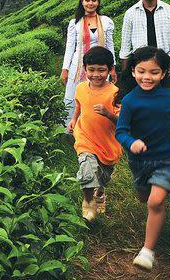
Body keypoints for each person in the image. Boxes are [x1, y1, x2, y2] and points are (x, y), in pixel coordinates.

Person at [114, 46, 170, 272]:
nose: (147, 77)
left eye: (154, 72)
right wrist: (131, 142)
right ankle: (153, 209)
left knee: (155, 202)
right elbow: (121, 131)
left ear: (164, 73)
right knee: (145, 198)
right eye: (142, 71)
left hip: (165, 158)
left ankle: (147, 252)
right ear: (133, 72)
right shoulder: (130, 101)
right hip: (140, 162)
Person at [67, 46, 121, 222]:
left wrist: (108, 114)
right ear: (85, 69)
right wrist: (75, 120)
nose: (96, 74)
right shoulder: (81, 88)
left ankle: (99, 195)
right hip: (85, 138)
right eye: (91, 70)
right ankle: (89, 202)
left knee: (102, 178)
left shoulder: (115, 93)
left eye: (101, 70)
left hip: (107, 143)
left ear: (110, 70)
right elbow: (80, 105)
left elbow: (122, 122)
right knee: (88, 170)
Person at [60, 0, 116, 126]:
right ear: (82, 2)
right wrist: (65, 69)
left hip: (101, 66)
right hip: (78, 66)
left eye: (94, 0)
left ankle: (95, 126)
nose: (90, 3)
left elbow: (110, 46)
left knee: (98, 95)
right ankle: (71, 128)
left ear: (98, 2)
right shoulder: (75, 23)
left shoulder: (106, 21)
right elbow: (69, 47)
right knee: (74, 96)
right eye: (87, 0)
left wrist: (113, 67)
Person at [119, 0, 170, 77]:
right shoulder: (130, 13)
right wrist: (125, 71)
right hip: (140, 64)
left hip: (163, 62)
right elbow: (125, 44)